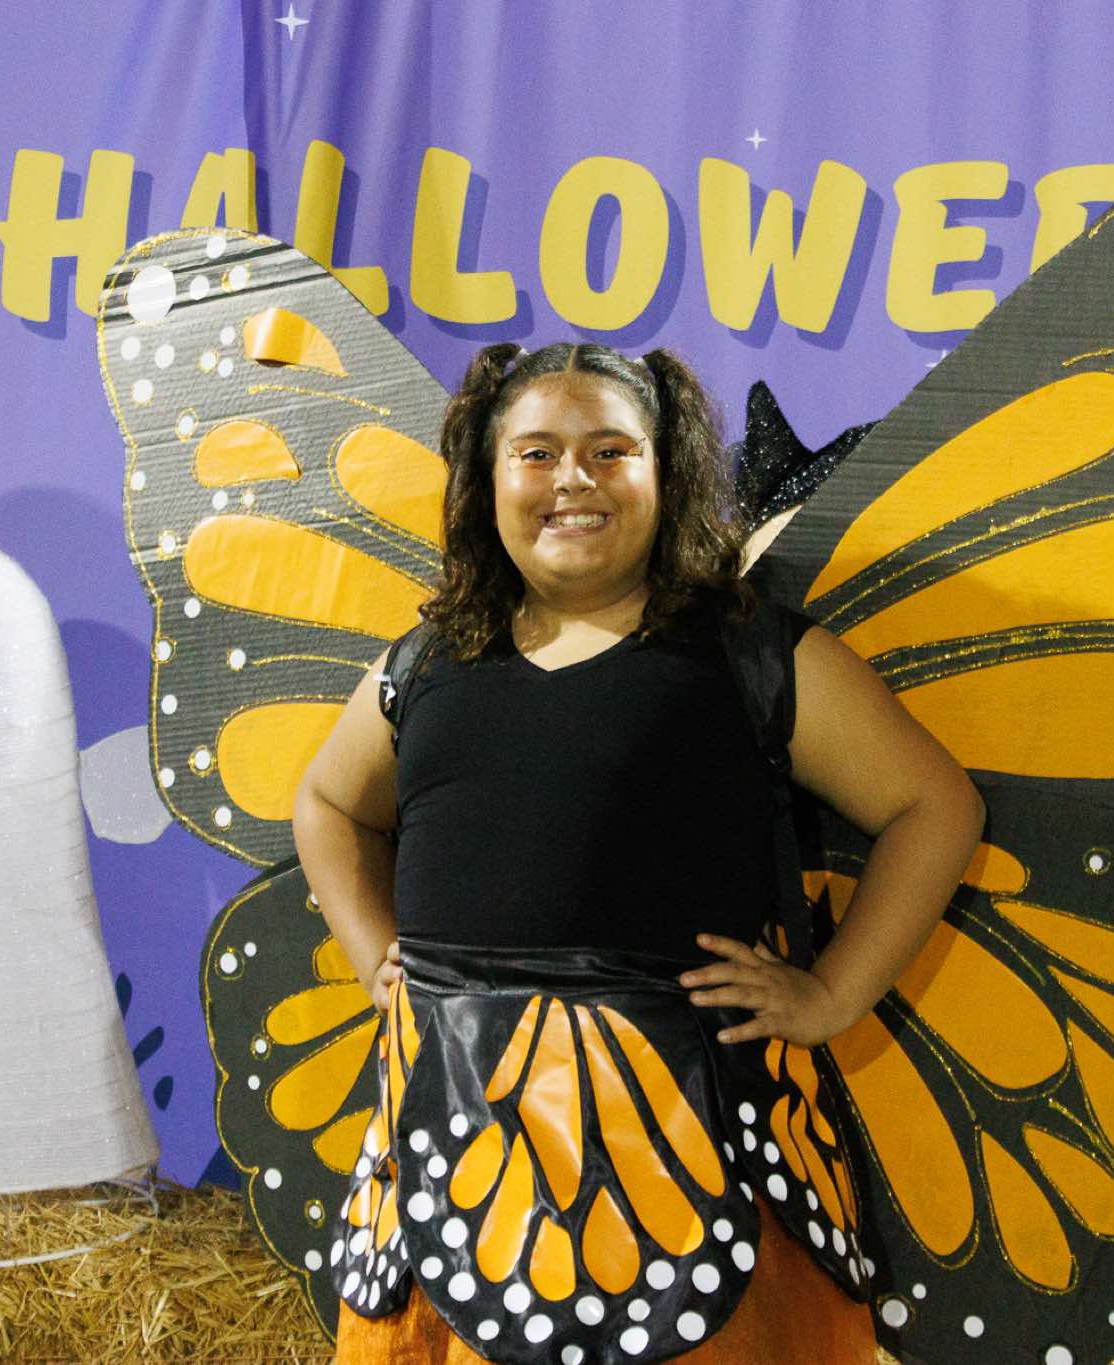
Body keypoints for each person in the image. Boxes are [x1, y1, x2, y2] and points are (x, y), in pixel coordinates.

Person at [292, 340, 984, 1363]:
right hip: (454, 1145)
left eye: (610, 451)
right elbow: (324, 803)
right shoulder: (426, 661)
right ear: (486, 481)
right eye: (536, 453)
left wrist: (832, 995)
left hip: (691, 1142)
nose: (572, 478)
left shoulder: (751, 654)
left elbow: (933, 805)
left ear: (668, 475)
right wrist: (373, 953)